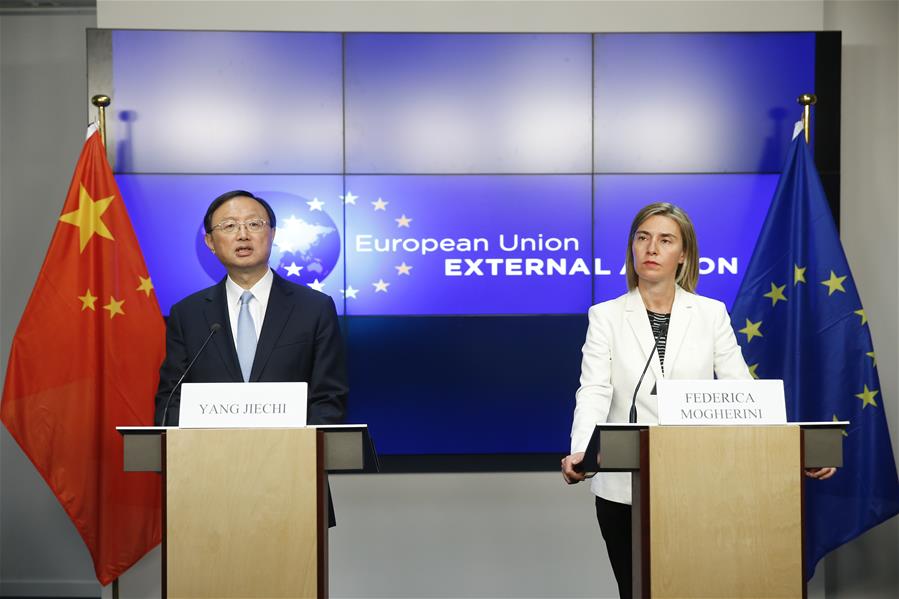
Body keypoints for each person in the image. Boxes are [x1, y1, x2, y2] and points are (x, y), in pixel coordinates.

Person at [560, 202, 834, 599]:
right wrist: (582, 453)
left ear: (683, 255)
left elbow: (743, 392)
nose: (651, 248)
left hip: (697, 482)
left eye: (665, 240)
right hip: (624, 486)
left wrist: (796, 448)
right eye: (643, 237)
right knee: (635, 590)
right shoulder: (605, 316)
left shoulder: (711, 314)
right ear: (632, 248)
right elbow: (595, 389)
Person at [154, 189, 348, 427]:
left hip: (291, 456)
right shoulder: (187, 314)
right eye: (229, 226)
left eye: (254, 224)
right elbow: (172, 398)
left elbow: (329, 397)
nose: (243, 235)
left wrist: (308, 453)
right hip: (209, 457)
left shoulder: (314, 309)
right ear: (210, 242)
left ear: (272, 234)